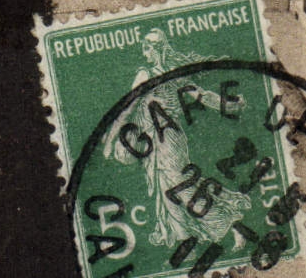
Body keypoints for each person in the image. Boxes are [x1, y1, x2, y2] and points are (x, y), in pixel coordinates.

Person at [102, 29, 250, 248]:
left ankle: (230, 225)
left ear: (158, 49)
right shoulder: (172, 73)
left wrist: (109, 141)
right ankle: (183, 240)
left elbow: (126, 108)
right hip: (162, 139)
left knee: (183, 188)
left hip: (166, 140)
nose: (145, 53)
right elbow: (202, 96)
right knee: (167, 190)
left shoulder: (150, 75)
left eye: (148, 47)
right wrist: (228, 104)